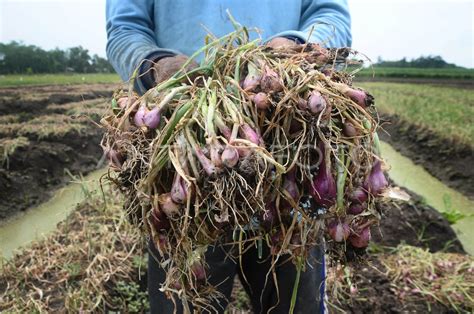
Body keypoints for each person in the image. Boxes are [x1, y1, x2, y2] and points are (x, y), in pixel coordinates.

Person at [106, 1, 351, 313]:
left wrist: (297, 45)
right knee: (185, 298)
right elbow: (125, 28)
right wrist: (155, 63)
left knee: (296, 305)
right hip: (185, 173)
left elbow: (330, 14)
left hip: (290, 166)